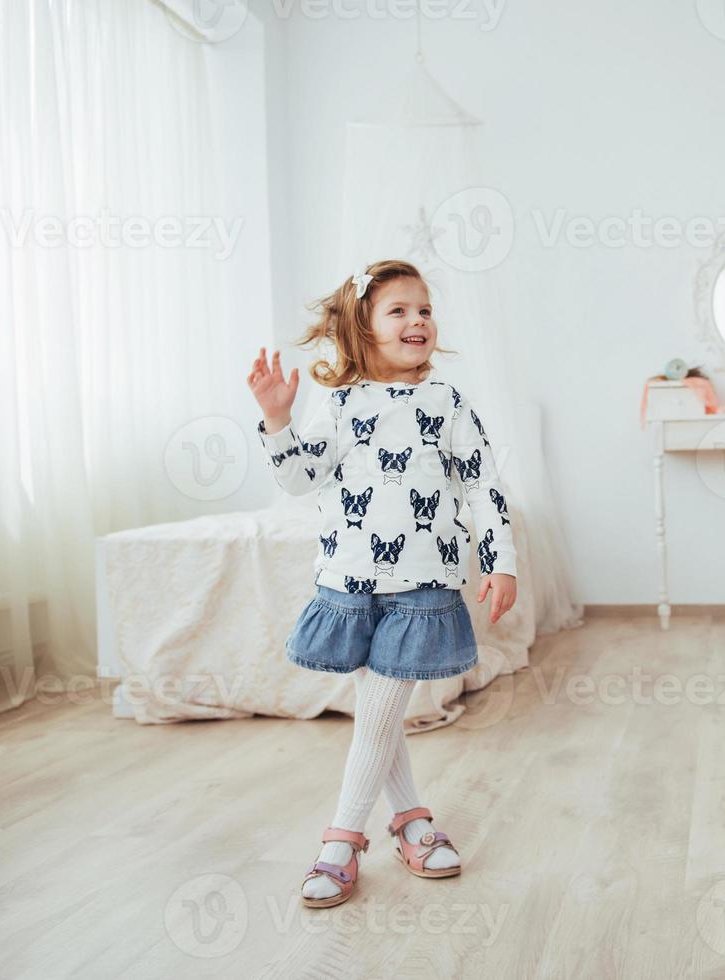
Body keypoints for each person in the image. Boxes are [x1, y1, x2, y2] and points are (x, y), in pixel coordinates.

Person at [245, 259, 518, 909]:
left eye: (424, 309)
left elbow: (483, 486)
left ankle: (341, 839)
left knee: (379, 711)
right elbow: (298, 480)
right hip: (350, 579)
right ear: (361, 329)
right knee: (381, 712)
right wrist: (278, 420)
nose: (417, 320)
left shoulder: (446, 402)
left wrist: (500, 559)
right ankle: (412, 822)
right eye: (398, 310)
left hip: (422, 580)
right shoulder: (339, 402)